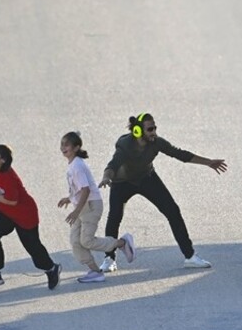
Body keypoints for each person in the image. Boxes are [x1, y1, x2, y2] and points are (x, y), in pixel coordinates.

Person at [97, 112, 227, 273]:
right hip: (121, 183)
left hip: (146, 178)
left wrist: (208, 163)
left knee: (172, 210)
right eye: (150, 129)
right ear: (138, 131)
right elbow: (113, 164)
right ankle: (109, 259)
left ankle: (190, 257)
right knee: (115, 216)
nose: (154, 132)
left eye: (155, 128)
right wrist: (106, 177)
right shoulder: (125, 144)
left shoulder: (156, 143)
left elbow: (180, 154)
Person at [56, 131, 135, 284]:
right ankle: (95, 272)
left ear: (76, 147)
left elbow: (85, 190)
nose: (63, 148)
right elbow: (79, 189)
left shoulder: (77, 166)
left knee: (87, 241)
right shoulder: (73, 164)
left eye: (67, 145)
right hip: (82, 206)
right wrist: (69, 198)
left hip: (90, 206)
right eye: (62, 144)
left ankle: (122, 243)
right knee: (75, 242)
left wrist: (76, 211)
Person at [0, 144, 61, 290]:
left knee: (33, 247)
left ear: (3, 160)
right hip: (5, 212)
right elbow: (1, 191)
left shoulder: (8, 176)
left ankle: (51, 268)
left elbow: (13, 201)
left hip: (25, 215)